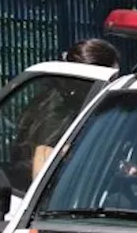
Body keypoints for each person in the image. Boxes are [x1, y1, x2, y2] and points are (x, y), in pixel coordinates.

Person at [25, 38, 121, 180]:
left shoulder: (72, 101)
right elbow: (43, 162)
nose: (114, 86)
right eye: (112, 80)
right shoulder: (58, 109)